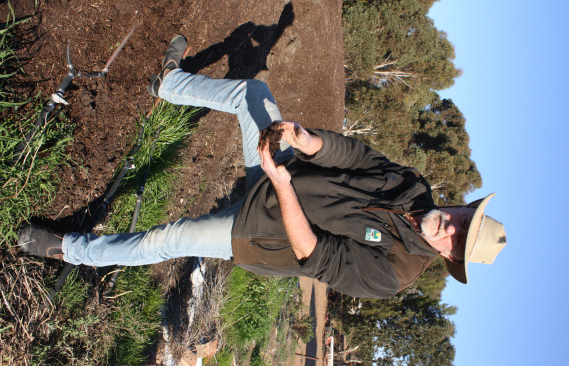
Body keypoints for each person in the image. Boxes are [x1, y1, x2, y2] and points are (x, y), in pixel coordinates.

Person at [18, 35, 507, 298]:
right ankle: (167, 83)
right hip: (285, 171)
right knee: (253, 94)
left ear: (450, 259)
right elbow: (358, 157)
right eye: (464, 218)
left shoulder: (394, 273)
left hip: (261, 233)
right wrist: (308, 142)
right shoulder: (414, 187)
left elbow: (314, 255)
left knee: (166, 239)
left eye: (458, 240)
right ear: (462, 206)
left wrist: (280, 181)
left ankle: (69, 249)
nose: (451, 227)